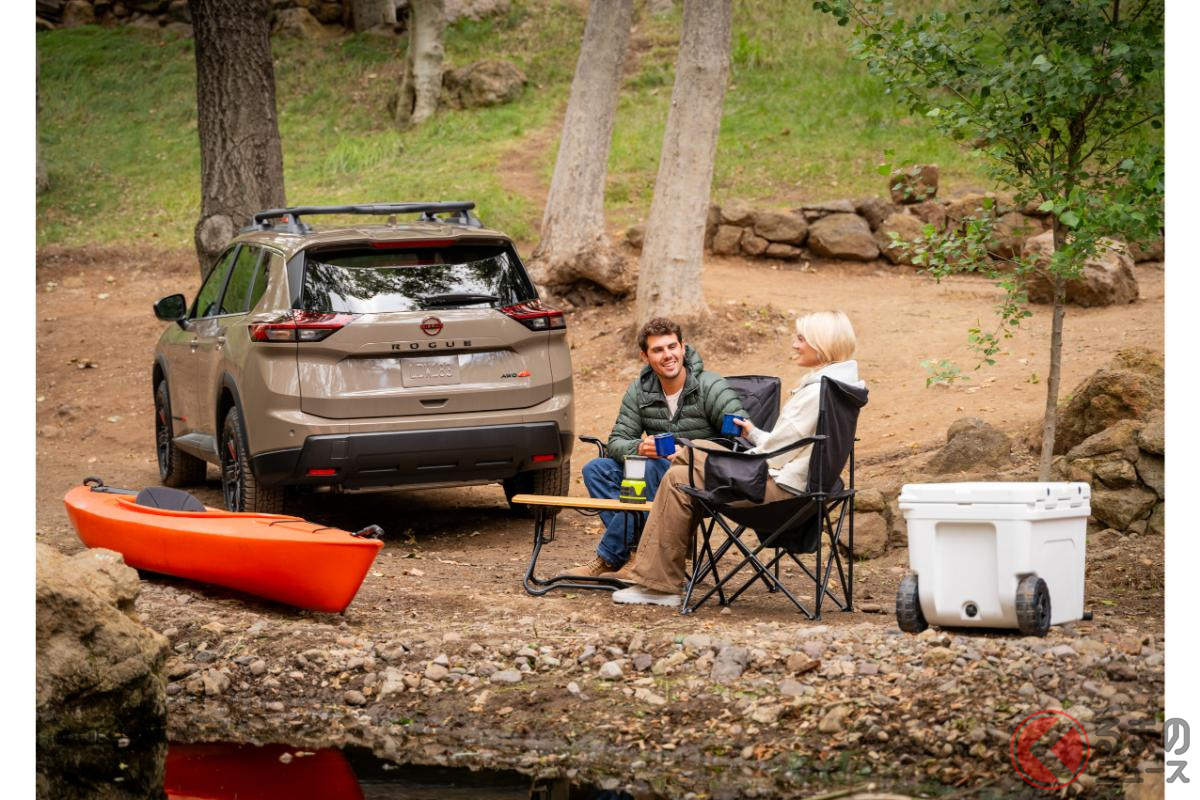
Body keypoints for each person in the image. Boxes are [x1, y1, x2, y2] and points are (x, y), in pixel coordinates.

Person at [610, 310, 865, 606]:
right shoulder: (839, 384)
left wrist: (732, 459)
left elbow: (775, 456)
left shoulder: (816, 391)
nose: (795, 344)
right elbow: (789, 443)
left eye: (801, 339)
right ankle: (656, 577)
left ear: (822, 344)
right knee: (685, 466)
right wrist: (753, 433)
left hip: (780, 490)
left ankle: (657, 584)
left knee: (682, 469)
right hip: (804, 484)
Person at [564, 317, 747, 579]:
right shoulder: (640, 391)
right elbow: (616, 442)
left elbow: (739, 439)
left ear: (683, 347)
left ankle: (610, 557)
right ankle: (636, 553)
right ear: (645, 356)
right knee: (596, 469)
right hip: (657, 479)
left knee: (650, 468)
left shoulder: (710, 386)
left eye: (672, 347)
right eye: (658, 350)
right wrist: (641, 446)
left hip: (702, 480)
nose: (668, 355)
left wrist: (690, 452)